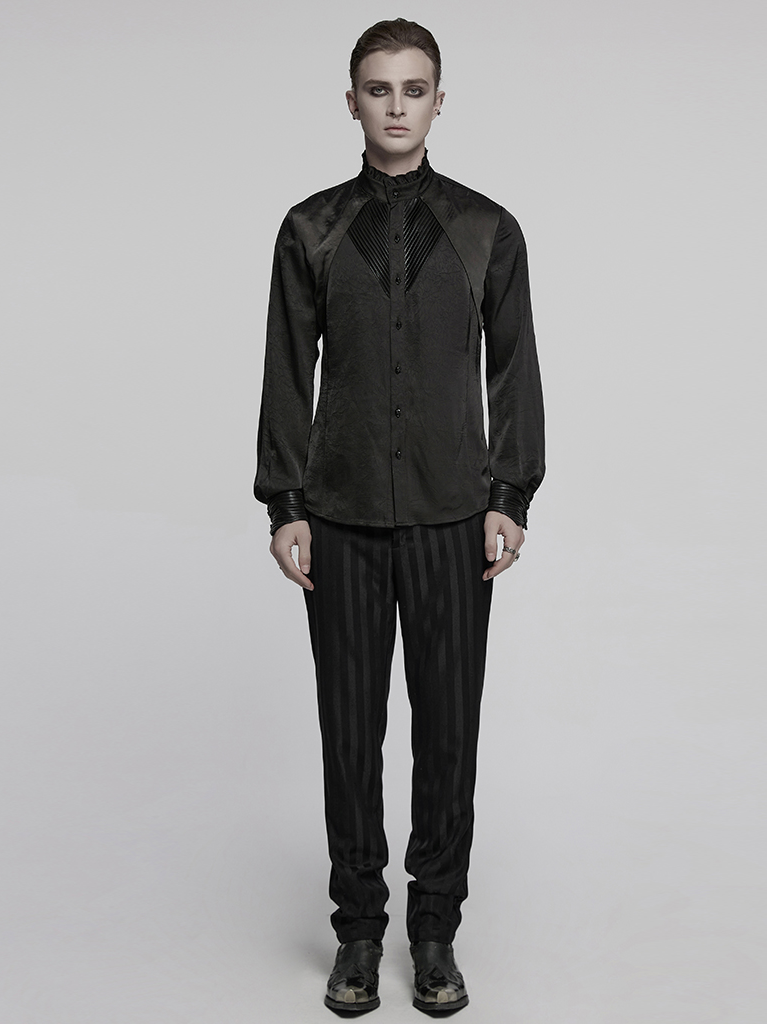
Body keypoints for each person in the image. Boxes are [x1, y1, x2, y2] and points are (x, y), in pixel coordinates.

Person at [254, 17, 545, 1015]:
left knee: (448, 734)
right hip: (337, 517)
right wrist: (286, 502)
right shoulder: (310, 229)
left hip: (452, 517)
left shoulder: (486, 230)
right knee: (349, 734)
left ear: (438, 102)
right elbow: (287, 370)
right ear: (351, 102)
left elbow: (515, 367)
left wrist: (509, 494)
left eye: (413, 89)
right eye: (377, 89)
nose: (395, 106)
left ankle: (434, 932)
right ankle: (357, 930)